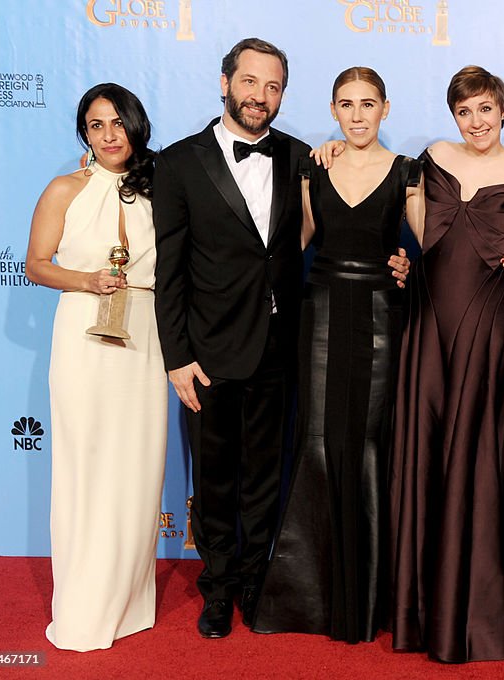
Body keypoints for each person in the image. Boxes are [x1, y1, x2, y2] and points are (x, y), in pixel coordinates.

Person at [390, 65, 504, 663]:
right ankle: (425, 609)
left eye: (486, 109)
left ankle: (477, 613)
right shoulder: (433, 157)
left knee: (479, 453)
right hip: (427, 326)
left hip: (489, 332)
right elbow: (418, 228)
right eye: (465, 111)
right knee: (430, 450)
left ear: (503, 109)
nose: (477, 122)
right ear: (454, 115)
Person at [251, 67, 418, 643]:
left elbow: (439, 245)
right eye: (346, 104)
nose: (357, 115)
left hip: (378, 314)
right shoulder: (312, 167)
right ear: (332, 110)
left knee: (368, 443)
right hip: (320, 311)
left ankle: (367, 600)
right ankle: (308, 600)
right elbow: (290, 244)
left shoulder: (408, 173)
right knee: (320, 440)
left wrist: (413, 264)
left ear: (386, 109)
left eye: (368, 104)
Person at [153, 38, 310, 639]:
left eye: (273, 87)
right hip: (208, 351)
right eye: (250, 83)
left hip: (277, 347)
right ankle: (215, 588)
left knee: (266, 476)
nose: (260, 97)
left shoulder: (298, 156)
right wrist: (177, 358)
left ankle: (255, 580)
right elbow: (168, 271)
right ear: (225, 83)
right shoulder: (179, 163)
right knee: (214, 479)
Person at [26, 83, 166, 651]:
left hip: (145, 334)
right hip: (83, 333)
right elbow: (36, 264)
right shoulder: (65, 188)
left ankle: (129, 603)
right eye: (95, 125)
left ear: (136, 126)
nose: (109, 136)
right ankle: (84, 605)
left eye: (117, 123)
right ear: (83, 133)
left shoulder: (162, 186)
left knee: (135, 469)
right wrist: (85, 279)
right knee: (86, 467)